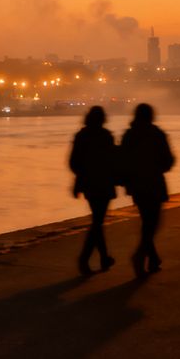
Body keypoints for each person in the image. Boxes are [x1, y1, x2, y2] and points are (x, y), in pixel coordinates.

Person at [120, 103, 174, 279]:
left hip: (137, 185)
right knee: (153, 224)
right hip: (154, 183)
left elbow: (123, 161)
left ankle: (153, 259)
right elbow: (168, 161)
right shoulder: (157, 135)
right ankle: (139, 256)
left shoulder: (129, 135)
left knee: (146, 222)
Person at [69, 106, 117, 274]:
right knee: (98, 222)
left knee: (98, 221)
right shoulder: (106, 136)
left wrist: (80, 179)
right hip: (104, 183)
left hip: (89, 184)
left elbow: (74, 163)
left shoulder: (81, 136)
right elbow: (113, 161)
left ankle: (104, 258)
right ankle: (84, 259)